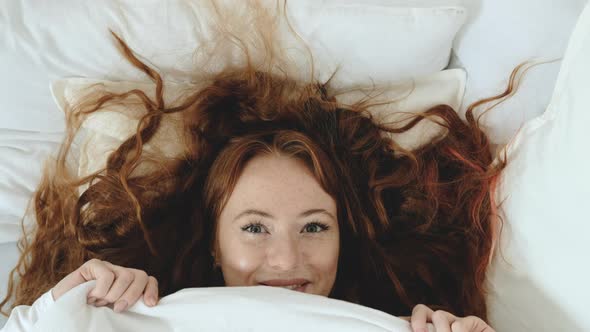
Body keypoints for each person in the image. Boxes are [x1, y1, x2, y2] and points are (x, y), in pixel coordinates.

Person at [0, 1, 518, 331]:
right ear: (213, 244)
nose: (286, 258)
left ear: (346, 237)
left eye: (314, 225)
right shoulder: (142, 315)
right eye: (254, 227)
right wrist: (69, 300)